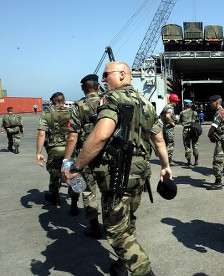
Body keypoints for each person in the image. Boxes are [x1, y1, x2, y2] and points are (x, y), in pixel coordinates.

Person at [63, 62, 171, 275]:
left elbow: (102, 134)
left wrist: (76, 166)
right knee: (127, 221)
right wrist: (166, 166)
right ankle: (122, 266)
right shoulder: (146, 103)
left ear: (122, 75)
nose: (103, 80)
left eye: (106, 75)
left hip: (117, 175)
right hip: (140, 174)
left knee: (116, 231)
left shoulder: (111, 99)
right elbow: (158, 139)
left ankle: (142, 270)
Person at [62, 74, 102, 238]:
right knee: (109, 191)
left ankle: (94, 226)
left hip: (85, 155)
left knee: (87, 190)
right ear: (98, 87)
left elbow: (72, 136)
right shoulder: (107, 101)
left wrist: (66, 160)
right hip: (108, 154)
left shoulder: (78, 106)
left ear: (82, 88)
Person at [37, 92, 79, 215]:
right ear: (64, 101)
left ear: (53, 101)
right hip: (71, 149)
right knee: (72, 176)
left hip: (54, 150)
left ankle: (55, 198)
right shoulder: (72, 112)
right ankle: (74, 204)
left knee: (55, 175)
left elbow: (41, 133)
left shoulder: (47, 113)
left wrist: (38, 152)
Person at [160, 93, 180, 165]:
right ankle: (168, 161)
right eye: (176, 101)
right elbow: (168, 116)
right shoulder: (170, 108)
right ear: (173, 101)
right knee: (170, 143)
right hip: (169, 129)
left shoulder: (166, 106)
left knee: (165, 144)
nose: (177, 103)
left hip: (165, 128)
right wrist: (172, 123)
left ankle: (165, 159)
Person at [179, 99, 199, 166]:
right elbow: (197, 121)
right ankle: (196, 161)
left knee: (187, 146)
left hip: (186, 130)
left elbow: (180, 121)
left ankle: (189, 161)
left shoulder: (182, 113)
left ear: (185, 105)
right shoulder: (195, 112)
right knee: (195, 146)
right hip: (194, 130)